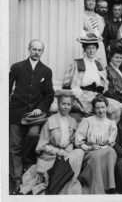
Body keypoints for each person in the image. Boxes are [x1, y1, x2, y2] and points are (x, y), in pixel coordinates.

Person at [9, 39, 54, 194]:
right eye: (34, 49)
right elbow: (6, 88)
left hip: (34, 116)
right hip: (16, 113)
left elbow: (49, 95)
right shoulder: (17, 67)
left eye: (39, 50)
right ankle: (16, 180)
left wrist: (40, 108)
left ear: (42, 51)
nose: (36, 52)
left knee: (34, 135)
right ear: (28, 49)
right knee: (15, 146)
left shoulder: (46, 71)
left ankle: (26, 165)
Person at [33, 94, 84, 194]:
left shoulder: (73, 121)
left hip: (67, 155)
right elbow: (42, 145)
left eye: (68, 104)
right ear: (58, 104)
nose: (66, 107)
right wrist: (58, 151)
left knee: (79, 152)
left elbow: (73, 140)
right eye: (63, 104)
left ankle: (69, 181)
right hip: (51, 157)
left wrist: (70, 146)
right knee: (55, 179)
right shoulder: (50, 121)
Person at [75, 95, 118, 194]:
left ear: (106, 107)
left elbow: (110, 143)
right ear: (94, 109)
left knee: (111, 151)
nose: (100, 110)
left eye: (103, 107)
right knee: (96, 156)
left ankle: (109, 187)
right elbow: (78, 141)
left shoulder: (111, 123)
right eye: (97, 108)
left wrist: (101, 147)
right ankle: (98, 190)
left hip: (105, 150)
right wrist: (90, 147)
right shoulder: (87, 121)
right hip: (89, 152)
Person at [62, 33, 108, 115]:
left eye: (93, 48)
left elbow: (104, 83)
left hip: (97, 95)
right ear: (84, 50)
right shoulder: (77, 63)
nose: (91, 51)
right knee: (93, 110)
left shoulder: (99, 65)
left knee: (115, 107)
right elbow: (66, 83)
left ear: (96, 49)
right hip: (82, 96)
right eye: (88, 48)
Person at [83, 0, 107, 68]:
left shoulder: (100, 17)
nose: (91, 2)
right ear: (85, 2)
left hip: (99, 46)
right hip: (87, 45)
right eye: (88, 0)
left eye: (93, 1)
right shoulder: (81, 15)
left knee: (100, 68)